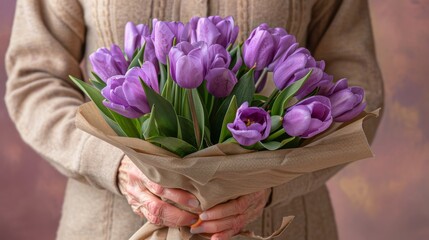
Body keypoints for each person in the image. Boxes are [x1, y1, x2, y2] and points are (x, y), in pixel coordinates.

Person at [4, 0, 383, 239]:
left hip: (284, 223)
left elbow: (357, 84)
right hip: (107, 226)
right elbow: (35, 77)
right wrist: (115, 165)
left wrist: (269, 184)